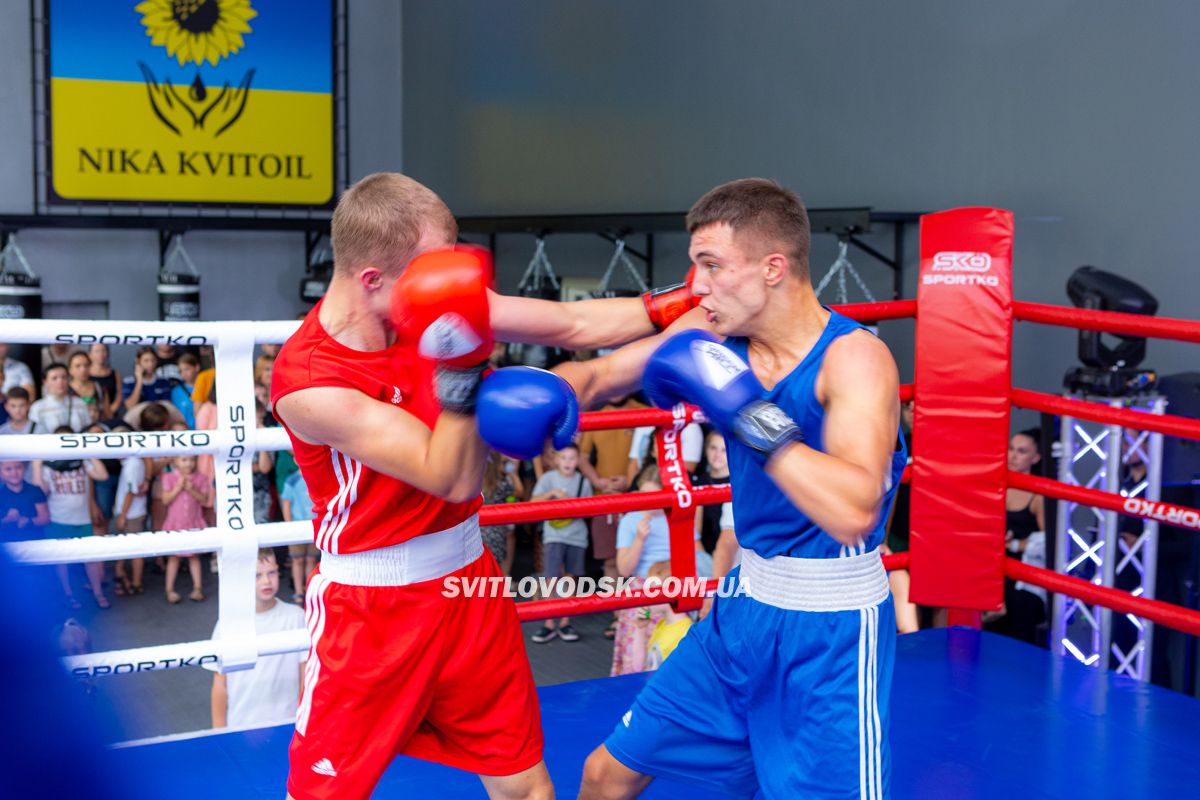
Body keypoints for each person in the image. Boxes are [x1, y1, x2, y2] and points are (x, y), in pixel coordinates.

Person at [479, 178, 905, 798]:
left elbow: (856, 510)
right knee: (604, 775)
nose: (696, 285)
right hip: (741, 612)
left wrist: (744, 414)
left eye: (711, 266)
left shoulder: (855, 359)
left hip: (832, 633)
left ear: (773, 268)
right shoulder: (711, 332)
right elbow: (599, 372)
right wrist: (556, 392)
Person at [270, 171, 690, 800]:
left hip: (468, 584)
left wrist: (684, 301)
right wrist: (467, 367)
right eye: (436, 268)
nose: (457, 281)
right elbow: (452, 473)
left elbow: (573, 324)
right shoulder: (310, 381)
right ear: (372, 280)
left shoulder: (435, 299)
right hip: (371, 613)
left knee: (524, 785)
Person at [208, 549, 306, 730]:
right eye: (257, 575)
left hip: (289, 723)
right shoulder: (228, 623)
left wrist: (304, 722)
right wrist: (218, 732)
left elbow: (305, 678)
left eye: (271, 572)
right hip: (242, 724)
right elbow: (220, 685)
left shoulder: (297, 617)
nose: (266, 581)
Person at [983, 428, 1047, 645]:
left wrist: (1016, 545)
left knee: (1020, 606)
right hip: (990, 570)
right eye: (1011, 449)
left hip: (1023, 577)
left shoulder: (1039, 493)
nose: (1013, 456)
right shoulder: (994, 484)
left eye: (1021, 451)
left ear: (1036, 457)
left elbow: (1051, 544)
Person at [34, 427, 110, 609]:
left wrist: (85, 450)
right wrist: (37, 464)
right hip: (58, 519)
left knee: (90, 558)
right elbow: (40, 491)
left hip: (82, 519)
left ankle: (98, 593)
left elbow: (103, 475)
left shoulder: (82, 462)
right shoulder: (48, 466)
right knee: (62, 562)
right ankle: (68, 595)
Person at [529, 443, 593, 644]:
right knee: (550, 578)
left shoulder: (584, 481)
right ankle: (549, 622)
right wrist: (553, 494)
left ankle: (565, 621)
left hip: (576, 536)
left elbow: (591, 509)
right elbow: (532, 503)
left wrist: (572, 505)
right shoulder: (548, 479)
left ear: (578, 461)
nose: (567, 462)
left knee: (570, 579)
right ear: (556, 459)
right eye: (563, 457)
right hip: (554, 535)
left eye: (572, 458)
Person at [161, 455, 211, 604]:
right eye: (184, 460)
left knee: (194, 556)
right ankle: (169, 589)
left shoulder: (201, 478)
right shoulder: (169, 478)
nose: (188, 463)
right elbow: (165, 500)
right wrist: (178, 487)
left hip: (193, 523)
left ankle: (197, 588)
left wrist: (191, 488)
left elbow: (204, 500)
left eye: (191, 460)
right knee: (174, 557)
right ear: (175, 461)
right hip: (176, 524)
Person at [480, 451, 523, 576]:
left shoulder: (477, 479)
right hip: (497, 532)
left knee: (481, 572)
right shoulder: (502, 482)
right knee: (494, 572)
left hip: (479, 531)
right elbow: (520, 491)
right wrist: (513, 474)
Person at [279, 468, 318, 602]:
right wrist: (290, 526)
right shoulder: (292, 480)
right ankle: (298, 591)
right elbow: (286, 504)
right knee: (297, 560)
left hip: (314, 526)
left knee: (311, 560)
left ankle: (309, 589)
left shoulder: (316, 476)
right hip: (296, 527)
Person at [30, 363, 91, 433]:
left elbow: (88, 429)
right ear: (45, 381)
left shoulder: (80, 403)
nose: (60, 382)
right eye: (54, 378)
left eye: (64, 377)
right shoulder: (38, 408)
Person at [0, 459, 47, 543]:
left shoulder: (35, 490)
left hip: (34, 542)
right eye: (8, 469)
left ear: (24, 468)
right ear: (1, 473)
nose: (14, 473)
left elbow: (45, 518)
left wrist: (27, 521)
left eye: (18, 467)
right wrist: (7, 519)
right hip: (6, 545)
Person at [88, 343, 123, 420]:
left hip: (112, 414)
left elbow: (119, 395)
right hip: (90, 415)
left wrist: (109, 411)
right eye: (97, 351)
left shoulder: (115, 374)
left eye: (103, 350)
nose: (101, 354)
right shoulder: (86, 374)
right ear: (90, 354)